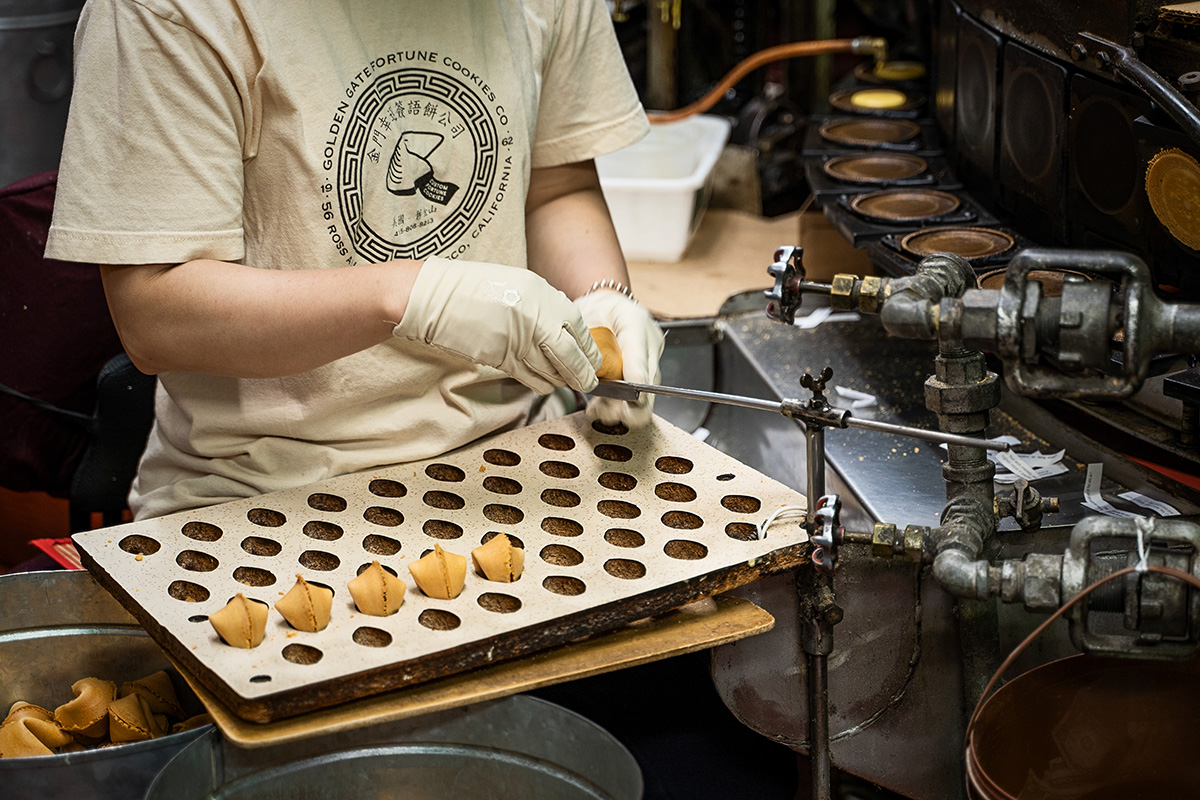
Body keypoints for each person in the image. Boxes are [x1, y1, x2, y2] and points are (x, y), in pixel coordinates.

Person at [46, 0, 663, 520]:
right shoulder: (172, 12)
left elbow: (557, 188)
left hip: (520, 454)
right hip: (267, 495)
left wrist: (603, 308)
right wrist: (408, 296)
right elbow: (157, 315)